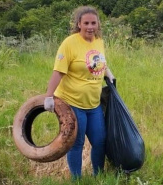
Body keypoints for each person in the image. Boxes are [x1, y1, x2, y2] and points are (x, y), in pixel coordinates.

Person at [44, 6, 115, 179]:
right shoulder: (70, 43)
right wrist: (48, 96)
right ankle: (77, 180)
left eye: (93, 23)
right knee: (77, 142)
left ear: (98, 24)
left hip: (94, 103)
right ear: (79, 24)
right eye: (86, 23)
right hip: (73, 102)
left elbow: (99, 63)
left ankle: (98, 176)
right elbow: (58, 71)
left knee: (99, 141)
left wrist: (109, 73)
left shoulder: (99, 41)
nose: (90, 26)